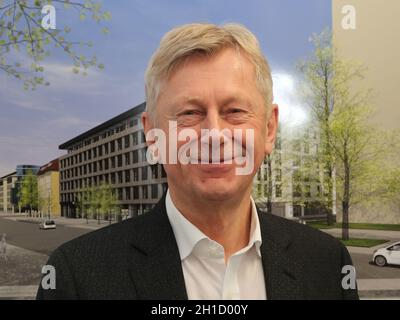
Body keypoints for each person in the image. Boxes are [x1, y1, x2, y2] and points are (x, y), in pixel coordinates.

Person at [37, 23, 358, 300]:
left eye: (234, 111)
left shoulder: (328, 263)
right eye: (190, 113)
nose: (214, 135)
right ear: (152, 135)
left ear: (269, 128)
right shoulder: (76, 275)